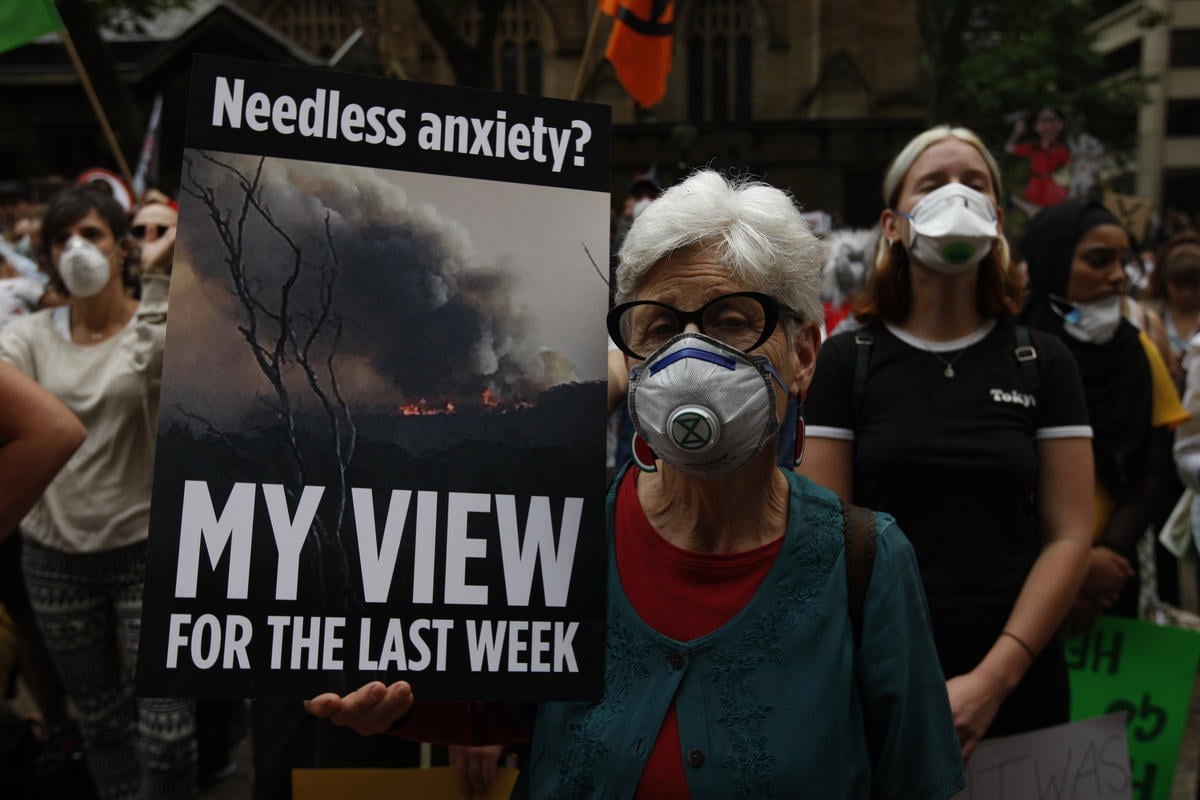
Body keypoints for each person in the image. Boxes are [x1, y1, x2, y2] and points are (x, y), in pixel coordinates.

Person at [307, 170, 965, 799]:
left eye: (731, 321)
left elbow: (916, 780)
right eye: (659, 327)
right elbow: (495, 701)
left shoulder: (867, 565)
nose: (690, 355)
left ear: (803, 355)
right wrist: (387, 703)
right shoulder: (567, 538)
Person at [801, 126, 1094, 758]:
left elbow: (1070, 533)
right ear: (893, 224)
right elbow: (824, 536)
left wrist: (995, 680)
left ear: (995, 217)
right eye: (933, 184)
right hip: (879, 673)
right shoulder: (847, 360)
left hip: (1020, 681)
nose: (956, 194)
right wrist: (899, 678)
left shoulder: (1044, 362)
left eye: (976, 183)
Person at [0, 186, 196, 800]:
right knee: (103, 724)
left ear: (120, 247)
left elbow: (159, 374)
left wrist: (161, 278)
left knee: (168, 735)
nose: (77, 249)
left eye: (92, 235)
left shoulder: (151, 321)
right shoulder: (27, 338)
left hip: (144, 553)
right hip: (57, 562)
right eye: (62, 239)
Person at [1021, 200, 1189, 624]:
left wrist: (1107, 555)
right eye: (1099, 261)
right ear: (1052, 261)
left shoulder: (1138, 352)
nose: (1117, 276)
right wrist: (1062, 563)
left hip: (1111, 575)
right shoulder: (1006, 349)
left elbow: (1155, 468)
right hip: (1018, 566)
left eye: (1124, 261)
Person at [1143, 233, 1200, 387]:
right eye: (1179, 285)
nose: (1187, 293)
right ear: (1165, 280)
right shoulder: (1145, 315)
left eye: (1195, 285)